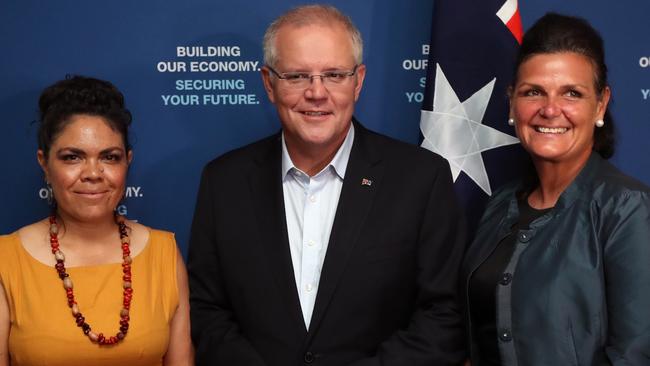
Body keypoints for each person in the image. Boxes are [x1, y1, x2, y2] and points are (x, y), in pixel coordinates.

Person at [188, 4, 466, 366]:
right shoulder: (223, 182)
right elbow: (206, 309)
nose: (316, 93)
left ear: (359, 81)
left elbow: (444, 314)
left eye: (334, 75)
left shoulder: (421, 178)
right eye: (297, 76)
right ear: (269, 84)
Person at [461, 13, 650, 365]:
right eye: (533, 92)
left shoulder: (628, 208)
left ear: (601, 104)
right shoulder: (498, 204)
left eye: (572, 94)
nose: (550, 110)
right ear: (512, 103)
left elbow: (635, 355)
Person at [0, 76, 193, 366]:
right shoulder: (7, 259)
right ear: (44, 163)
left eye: (109, 157)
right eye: (72, 157)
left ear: (127, 161)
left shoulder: (163, 253)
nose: (93, 173)